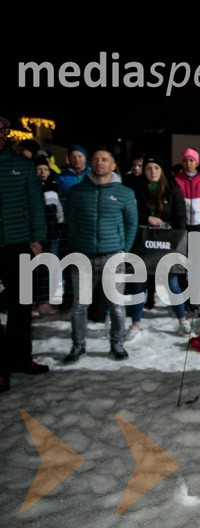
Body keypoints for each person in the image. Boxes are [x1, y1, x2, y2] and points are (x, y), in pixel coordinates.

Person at [63, 146, 138, 364]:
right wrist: (76, 244)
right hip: (83, 256)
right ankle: (78, 345)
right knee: (79, 305)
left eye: (105, 159)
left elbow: (131, 223)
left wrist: (124, 249)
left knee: (116, 304)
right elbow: (70, 222)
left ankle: (117, 342)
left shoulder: (125, 193)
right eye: (96, 159)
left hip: (112, 255)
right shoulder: (77, 192)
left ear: (113, 165)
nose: (99, 163)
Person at [0, 115, 49, 393]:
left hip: (19, 244)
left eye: (2, 130)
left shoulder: (21, 164)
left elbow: (35, 203)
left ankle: (21, 358)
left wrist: (37, 238)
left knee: (21, 306)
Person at [124, 155, 190, 341]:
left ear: (162, 171)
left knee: (172, 283)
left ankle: (182, 321)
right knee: (139, 283)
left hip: (167, 243)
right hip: (143, 243)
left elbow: (180, 217)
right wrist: (147, 219)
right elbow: (131, 212)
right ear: (143, 171)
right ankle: (135, 324)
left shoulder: (172, 188)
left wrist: (179, 241)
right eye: (148, 168)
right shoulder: (136, 189)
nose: (152, 171)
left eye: (156, 168)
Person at [172, 148, 200, 314]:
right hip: (181, 226)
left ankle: (194, 299)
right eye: (186, 160)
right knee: (181, 264)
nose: (189, 163)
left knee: (195, 265)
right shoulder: (175, 180)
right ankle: (182, 298)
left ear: (197, 162)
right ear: (182, 162)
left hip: (199, 226)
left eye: (192, 160)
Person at [31, 155, 64, 317]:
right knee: (32, 269)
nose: (42, 172)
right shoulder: (30, 188)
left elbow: (59, 212)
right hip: (34, 236)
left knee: (48, 269)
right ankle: (31, 304)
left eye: (45, 169)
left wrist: (60, 227)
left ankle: (44, 302)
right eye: (39, 169)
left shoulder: (54, 188)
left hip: (51, 235)